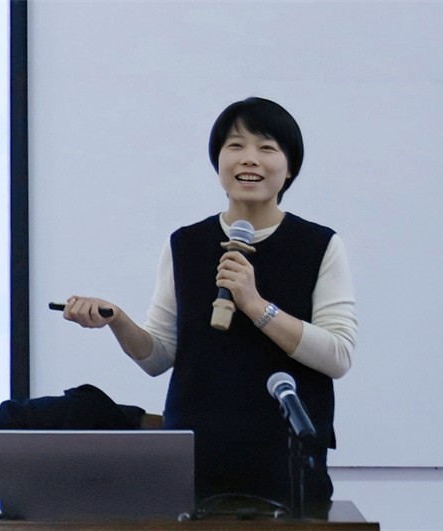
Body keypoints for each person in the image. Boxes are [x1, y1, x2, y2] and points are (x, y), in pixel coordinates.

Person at [61, 97, 357, 515]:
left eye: (266, 148)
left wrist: (255, 306)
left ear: (290, 167)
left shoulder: (320, 245)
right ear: (218, 161)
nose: (249, 158)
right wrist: (118, 321)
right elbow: (159, 356)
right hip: (196, 458)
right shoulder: (186, 244)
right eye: (235, 146)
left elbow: (338, 355)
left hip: (286, 461)